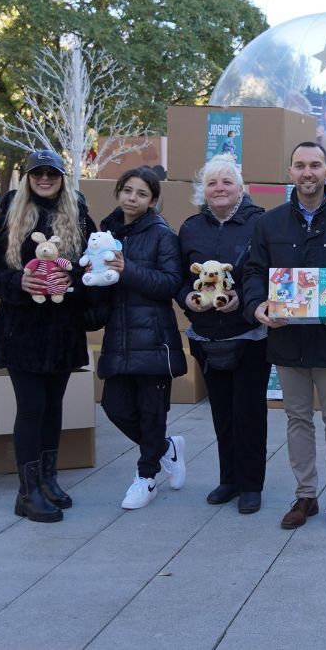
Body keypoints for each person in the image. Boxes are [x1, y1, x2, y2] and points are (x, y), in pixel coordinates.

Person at [243, 141, 326, 533]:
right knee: (297, 419)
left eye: (315, 165)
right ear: (290, 171)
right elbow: (253, 273)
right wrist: (258, 306)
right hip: (286, 340)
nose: (308, 172)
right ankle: (306, 495)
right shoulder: (268, 225)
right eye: (300, 165)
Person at [0, 149, 96, 523]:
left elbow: (90, 266)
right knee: (31, 408)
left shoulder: (78, 214)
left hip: (62, 329)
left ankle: (47, 480)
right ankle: (26, 491)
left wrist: (72, 280)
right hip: (23, 330)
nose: (44, 179)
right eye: (37, 173)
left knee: (53, 406)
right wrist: (19, 280)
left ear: (62, 177)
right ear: (28, 177)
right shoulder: (11, 213)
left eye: (51, 173)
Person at [94, 167, 189, 510]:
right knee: (114, 407)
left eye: (141, 193)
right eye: (127, 190)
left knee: (151, 413)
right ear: (118, 192)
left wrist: (126, 269)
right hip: (118, 335)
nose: (132, 198)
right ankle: (166, 449)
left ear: (152, 201)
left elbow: (169, 283)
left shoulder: (163, 234)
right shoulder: (105, 230)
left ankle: (146, 477)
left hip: (153, 336)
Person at [177, 154, 267, 514]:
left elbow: (267, 273)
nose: (219, 188)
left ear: (241, 189)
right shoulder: (190, 228)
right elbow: (180, 277)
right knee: (221, 412)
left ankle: (251, 485)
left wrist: (243, 300)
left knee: (248, 412)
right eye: (212, 183)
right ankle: (228, 479)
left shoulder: (260, 224)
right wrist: (188, 298)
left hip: (249, 335)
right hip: (206, 337)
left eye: (226, 182)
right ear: (203, 191)